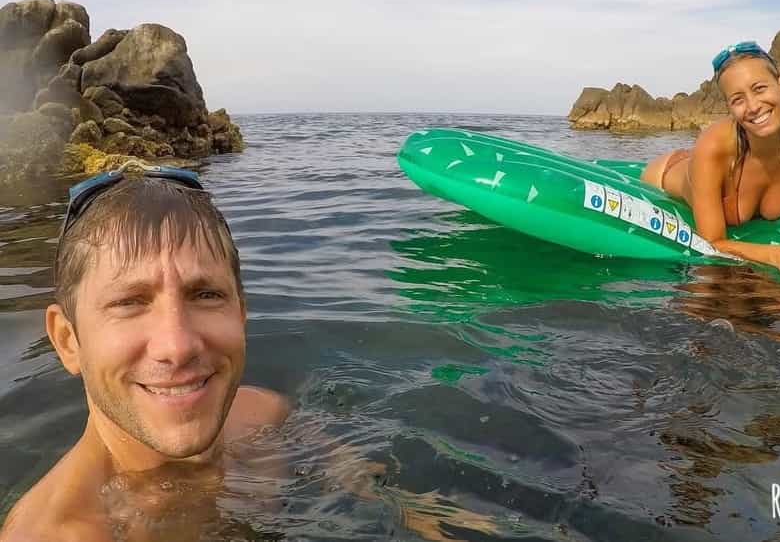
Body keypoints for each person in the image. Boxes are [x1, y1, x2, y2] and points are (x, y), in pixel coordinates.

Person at [0, 164, 494, 542]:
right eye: (129, 302)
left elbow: (342, 465)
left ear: (241, 313)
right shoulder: (55, 533)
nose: (177, 345)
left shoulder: (261, 413)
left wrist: (408, 509)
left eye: (205, 295)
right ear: (68, 340)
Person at [641, 41, 780, 291]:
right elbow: (712, 242)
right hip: (668, 171)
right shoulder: (711, 147)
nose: (753, 106)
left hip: (715, 163)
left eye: (759, 89)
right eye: (738, 99)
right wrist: (779, 255)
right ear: (729, 107)